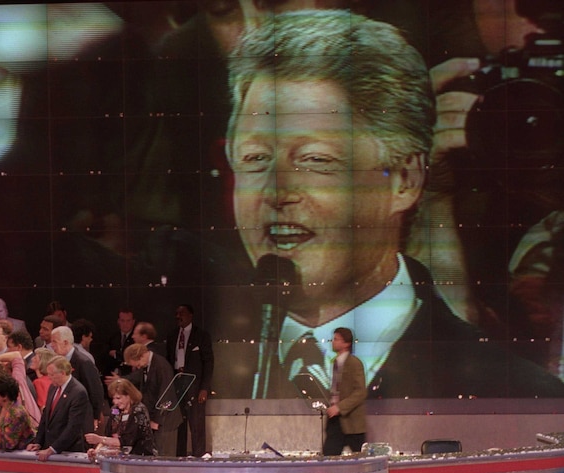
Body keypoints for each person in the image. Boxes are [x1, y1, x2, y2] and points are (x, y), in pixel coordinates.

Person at [226, 9, 564, 400]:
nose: (275, 191)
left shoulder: (518, 397)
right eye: (254, 159)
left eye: (315, 160)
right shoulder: (192, 368)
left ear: (405, 180)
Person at [166, 304, 213, 457]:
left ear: (191, 315)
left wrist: (204, 388)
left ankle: (199, 456)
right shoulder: (173, 335)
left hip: (195, 386)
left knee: (197, 423)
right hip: (177, 384)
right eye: (177, 313)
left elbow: (208, 362)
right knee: (179, 423)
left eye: (182, 313)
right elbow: (168, 360)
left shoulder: (201, 335)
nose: (178, 316)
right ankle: (179, 456)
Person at [26, 356, 91, 461]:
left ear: (63, 373)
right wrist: (38, 442)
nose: (49, 378)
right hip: (48, 448)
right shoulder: (53, 387)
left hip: (67, 451)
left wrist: (52, 449)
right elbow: (45, 418)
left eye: (52, 375)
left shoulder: (78, 392)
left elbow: (73, 427)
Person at [124, 343, 181, 457]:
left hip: (165, 421)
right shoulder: (147, 366)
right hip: (153, 418)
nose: (138, 367)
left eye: (138, 364)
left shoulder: (161, 365)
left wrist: (157, 420)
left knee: (164, 456)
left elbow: (167, 395)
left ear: (141, 356)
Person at [323, 328, 367, 456]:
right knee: (329, 457)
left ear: (346, 343)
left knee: (360, 460)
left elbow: (360, 392)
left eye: (336, 339)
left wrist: (339, 407)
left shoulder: (354, 363)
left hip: (351, 421)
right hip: (335, 420)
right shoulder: (334, 363)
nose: (333, 342)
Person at [49, 325, 103, 429]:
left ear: (65, 342)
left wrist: (95, 416)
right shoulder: (57, 362)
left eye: (54, 341)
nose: (52, 345)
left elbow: (95, 391)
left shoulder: (83, 362)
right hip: (64, 417)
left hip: (82, 417)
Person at [85, 378, 155, 457]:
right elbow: (107, 436)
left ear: (129, 395)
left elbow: (125, 441)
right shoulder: (115, 410)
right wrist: (97, 451)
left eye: (118, 398)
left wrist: (99, 439)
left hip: (140, 458)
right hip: (118, 458)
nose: (115, 402)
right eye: (113, 398)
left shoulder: (138, 411)